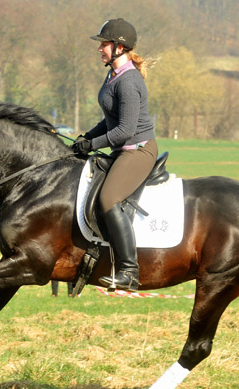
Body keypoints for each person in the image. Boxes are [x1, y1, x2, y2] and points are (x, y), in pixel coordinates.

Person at [72, 18, 157, 291]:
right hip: (122, 147)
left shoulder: (128, 81)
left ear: (119, 47)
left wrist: (94, 144)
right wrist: (87, 137)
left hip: (138, 151)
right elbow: (110, 120)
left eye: (104, 44)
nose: (100, 49)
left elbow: (124, 130)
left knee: (109, 198)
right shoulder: (113, 75)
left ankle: (129, 272)